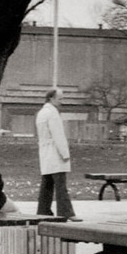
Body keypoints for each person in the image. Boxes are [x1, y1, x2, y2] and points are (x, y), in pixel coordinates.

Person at [35, 88, 80, 221]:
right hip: (55, 153)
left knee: (47, 185)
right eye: (60, 99)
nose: (62, 101)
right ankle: (66, 213)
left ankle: (43, 212)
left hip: (45, 153)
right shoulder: (53, 114)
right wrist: (65, 154)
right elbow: (58, 135)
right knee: (61, 186)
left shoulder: (42, 113)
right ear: (52, 98)